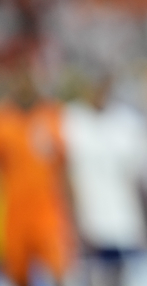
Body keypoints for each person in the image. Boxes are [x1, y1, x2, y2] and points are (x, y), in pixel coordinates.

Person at [62, 71, 147, 286]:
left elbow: (141, 177)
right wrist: (73, 218)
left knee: (123, 275)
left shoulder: (128, 123)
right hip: (88, 218)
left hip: (124, 219)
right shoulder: (71, 120)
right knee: (92, 275)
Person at [0, 62, 73, 286]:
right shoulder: (5, 120)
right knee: (19, 273)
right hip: (14, 209)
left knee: (58, 269)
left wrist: (71, 208)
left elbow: (63, 166)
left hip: (47, 209)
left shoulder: (51, 116)